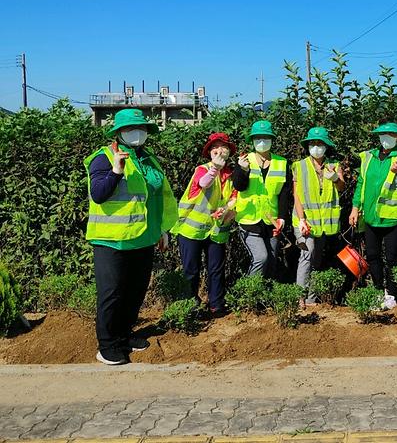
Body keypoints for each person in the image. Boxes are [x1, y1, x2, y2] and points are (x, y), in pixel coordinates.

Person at [85, 108, 178, 365]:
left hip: (144, 237)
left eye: (142, 129)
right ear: (118, 133)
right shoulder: (103, 158)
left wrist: (162, 229)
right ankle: (107, 345)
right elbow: (99, 194)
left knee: (135, 291)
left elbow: (157, 198)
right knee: (112, 293)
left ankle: (125, 336)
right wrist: (115, 171)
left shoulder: (148, 160)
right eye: (130, 129)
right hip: (113, 239)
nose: (137, 134)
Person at [349, 121, 397, 309]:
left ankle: (392, 293)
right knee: (372, 255)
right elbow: (361, 182)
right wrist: (355, 207)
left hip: (393, 217)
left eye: (391, 134)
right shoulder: (368, 156)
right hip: (371, 216)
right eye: (383, 133)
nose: (387, 137)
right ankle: (378, 290)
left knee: (392, 257)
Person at [171, 132, 238, 318]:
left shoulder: (230, 175)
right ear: (209, 152)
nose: (219, 150)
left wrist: (226, 209)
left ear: (228, 152)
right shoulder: (203, 169)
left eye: (223, 147)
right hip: (191, 230)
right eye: (214, 147)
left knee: (216, 269)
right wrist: (214, 169)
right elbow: (203, 184)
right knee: (191, 271)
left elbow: (233, 197)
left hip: (215, 230)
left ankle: (216, 305)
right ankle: (189, 305)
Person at [233, 120, 292, 279]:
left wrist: (282, 217)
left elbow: (285, 192)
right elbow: (238, 186)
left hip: (271, 220)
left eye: (266, 138)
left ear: (272, 140)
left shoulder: (282, 163)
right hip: (249, 219)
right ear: (252, 141)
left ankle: (265, 296)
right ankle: (248, 293)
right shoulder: (244, 160)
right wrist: (242, 170)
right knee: (261, 257)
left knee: (272, 259)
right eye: (257, 138)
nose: (262, 141)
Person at [292, 127, 345, 305]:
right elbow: (297, 196)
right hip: (304, 221)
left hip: (324, 224)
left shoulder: (334, 165)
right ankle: (300, 298)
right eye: (313, 143)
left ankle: (312, 299)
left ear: (326, 146)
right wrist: (301, 220)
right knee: (307, 255)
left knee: (316, 259)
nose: (316, 147)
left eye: (320, 143)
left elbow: (341, 188)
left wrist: (335, 178)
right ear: (307, 146)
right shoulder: (299, 166)